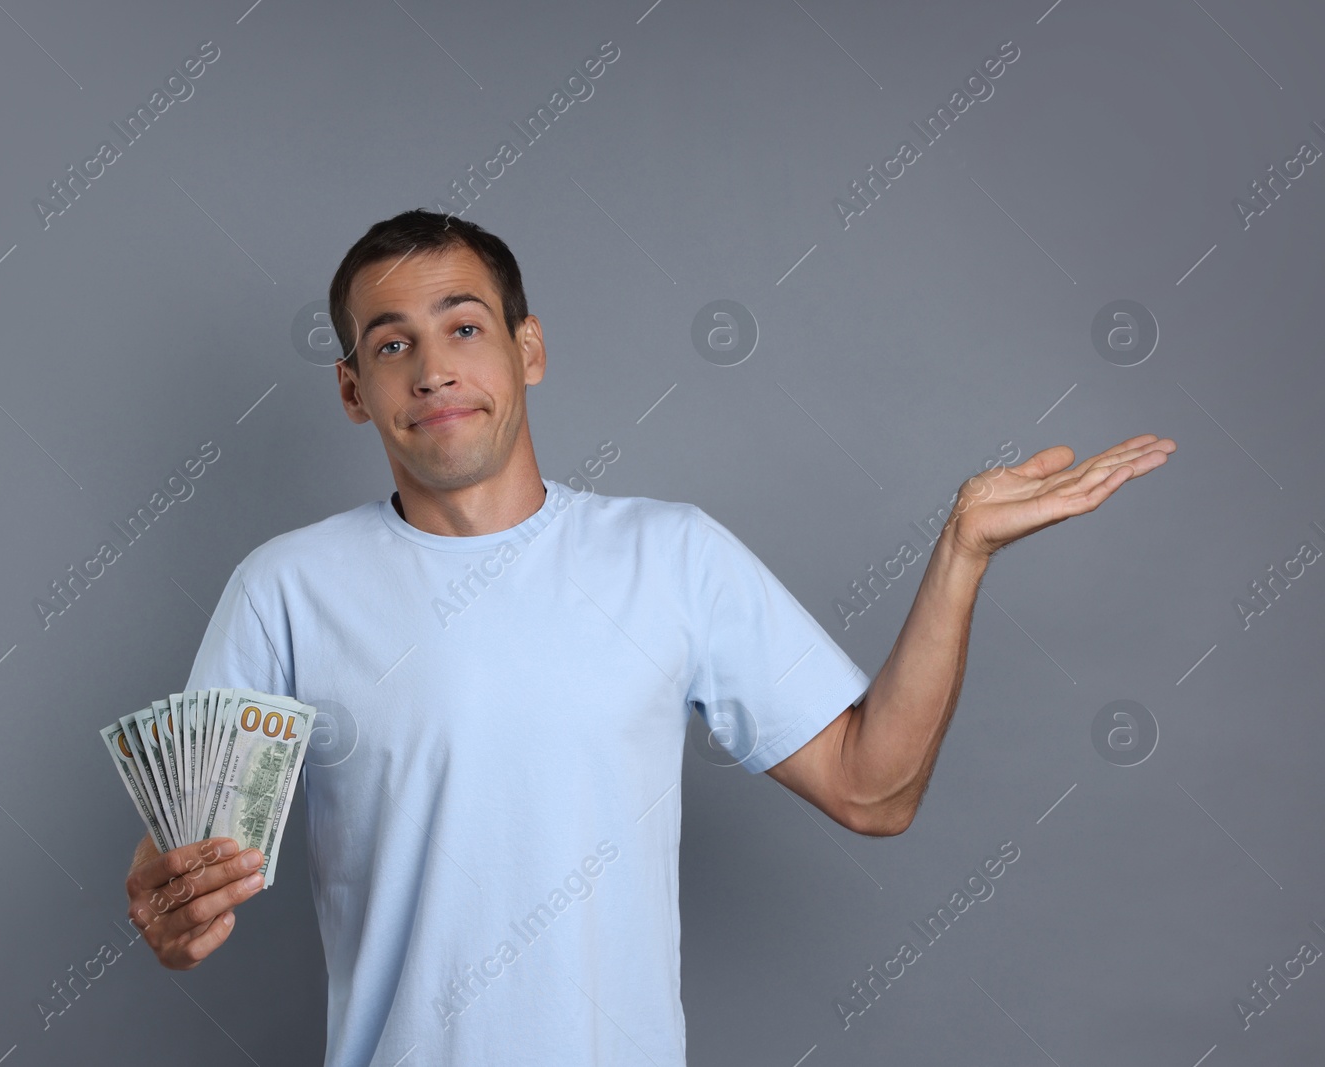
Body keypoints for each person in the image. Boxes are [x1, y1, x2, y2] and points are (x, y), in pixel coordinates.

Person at [122, 208, 1176, 1065]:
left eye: (463, 325)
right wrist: (170, 916)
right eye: (390, 343)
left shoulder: (670, 556)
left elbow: (874, 789)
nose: (432, 365)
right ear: (355, 391)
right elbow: (186, 864)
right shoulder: (284, 588)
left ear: (526, 350)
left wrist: (960, 557)